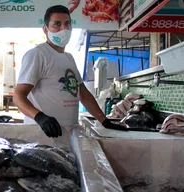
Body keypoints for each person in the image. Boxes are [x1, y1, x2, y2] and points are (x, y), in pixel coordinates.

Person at [13, 5, 127, 138]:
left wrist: (104, 120)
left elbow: (83, 95)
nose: (64, 29)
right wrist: (40, 117)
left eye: (67, 23)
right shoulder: (38, 55)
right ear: (45, 29)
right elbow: (18, 96)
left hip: (68, 134)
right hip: (42, 135)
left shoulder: (69, 58)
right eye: (57, 24)